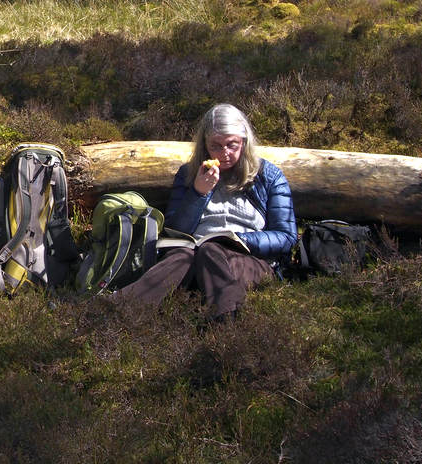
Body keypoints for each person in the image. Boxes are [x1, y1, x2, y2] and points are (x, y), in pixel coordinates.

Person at [118, 103, 296, 321]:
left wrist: (239, 240)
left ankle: (224, 322)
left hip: (249, 259)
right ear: (205, 145)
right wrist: (198, 193)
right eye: (216, 146)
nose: (224, 153)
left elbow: (286, 236)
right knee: (183, 256)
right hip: (195, 255)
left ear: (244, 141)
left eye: (232, 145)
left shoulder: (268, 176)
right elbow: (175, 230)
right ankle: (113, 310)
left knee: (211, 251)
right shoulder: (189, 173)